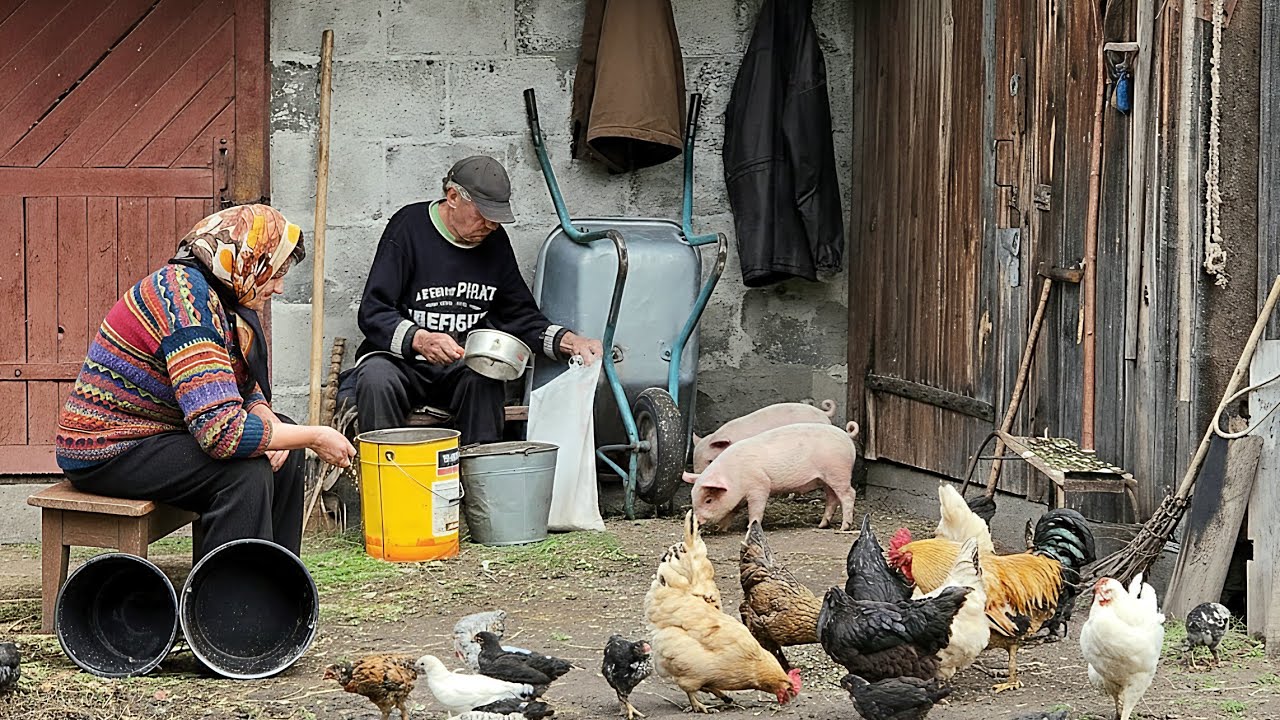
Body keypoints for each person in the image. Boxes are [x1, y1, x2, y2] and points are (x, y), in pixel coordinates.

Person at [55, 204, 357, 560]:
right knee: (245, 472)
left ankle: (275, 587)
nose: (279, 287)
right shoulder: (185, 303)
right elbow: (221, 434)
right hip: (107, 446)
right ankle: (225, 604)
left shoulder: (220, 291)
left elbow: (235, 381)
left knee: (284, 448)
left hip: (157, 433)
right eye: (275, 274)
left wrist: (265, 414)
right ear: (249, 260)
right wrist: (317, 436)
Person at [340, 155, 603, 444]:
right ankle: (388, 483)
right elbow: (373, 311)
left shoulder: (495, 241)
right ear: (453, 197)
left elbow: (519, 315)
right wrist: (421, 339)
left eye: (496, 219)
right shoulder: (408, 228)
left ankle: (480, 482)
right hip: (400, 362)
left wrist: (571, 342)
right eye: (483, 215)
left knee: (485, 378)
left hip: (461, 364)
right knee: (376, 379)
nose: (490, 225)